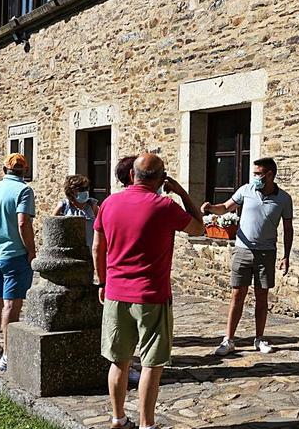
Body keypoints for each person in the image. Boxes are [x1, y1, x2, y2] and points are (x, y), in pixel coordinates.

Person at [93, 153, 204, 429]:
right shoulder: (164, 206)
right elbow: (198, 227)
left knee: (119, 361)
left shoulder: (108, 203)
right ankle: (146, 423)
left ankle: (118, 418)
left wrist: (102, 281)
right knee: (151, 364)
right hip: (151, 295)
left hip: (116, 292)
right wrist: (181, 192)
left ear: (133, 175)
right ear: (161, 178)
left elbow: (98, 247)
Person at [202, 157, 294, 356]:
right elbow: (226, 208)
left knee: (262, 297)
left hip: (266, 253)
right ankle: (229, 339)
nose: (254, 177)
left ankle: (259, 338)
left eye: (258, 174)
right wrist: (211, 208)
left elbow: (288, 228)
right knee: (237, 295)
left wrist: (286, 256)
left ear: (269, 175)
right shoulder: (246, 190)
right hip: (242, 251)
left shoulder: (284, 199)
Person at [0, 153, 36, 373]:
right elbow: (23, 223)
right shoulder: (24, 190)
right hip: (15, 255)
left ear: (4, 170)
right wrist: (31, 251)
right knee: (12, 306)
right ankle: (8, 355)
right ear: (24, 172)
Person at [53, 174, 98, 248]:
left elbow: (101, 228)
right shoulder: (63, 206)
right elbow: (53, 226)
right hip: (70, 251)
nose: (85, 191)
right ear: (71, 191)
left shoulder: (92, 206)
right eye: (81, 189)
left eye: (86, 188)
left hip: (89, 251)